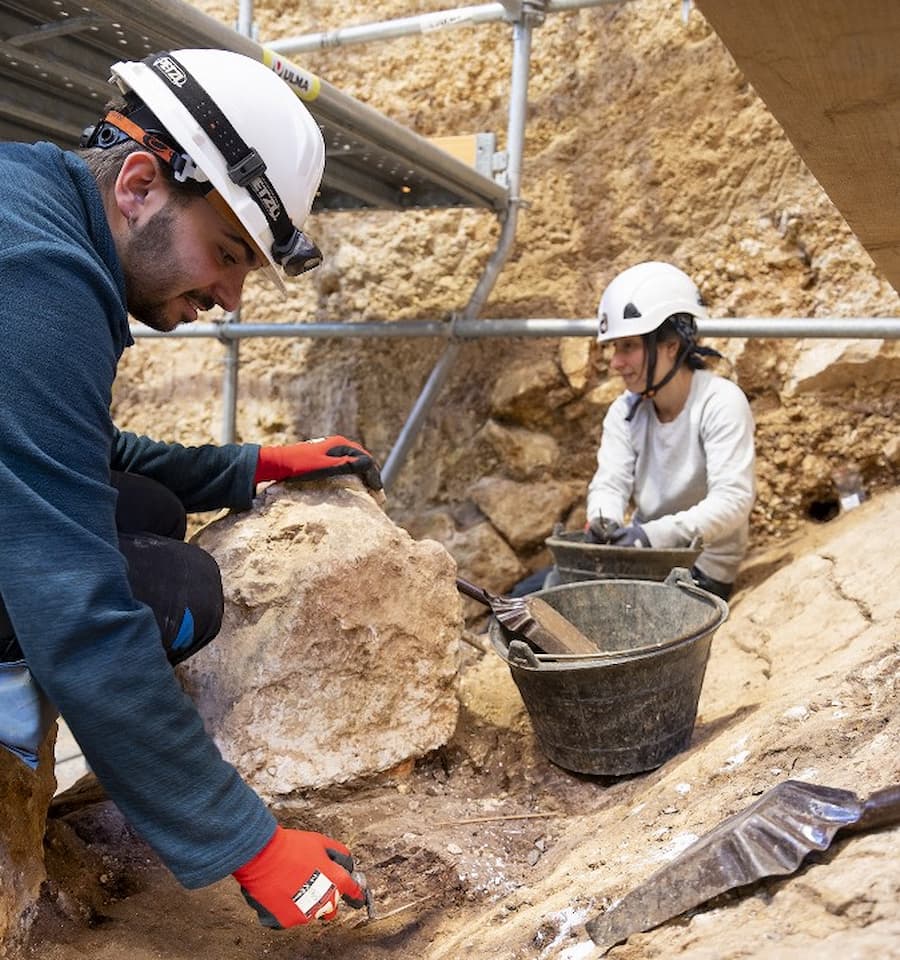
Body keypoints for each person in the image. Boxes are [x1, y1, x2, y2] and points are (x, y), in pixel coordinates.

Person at [0, 48, 381, 930]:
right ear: (139, 184)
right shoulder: (35, 281)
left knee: (151, 509)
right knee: (172, 590)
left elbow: (66, 449)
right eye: (227, 253)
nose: (233, 296)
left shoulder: (34, 202)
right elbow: (80, 608)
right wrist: (246, 841)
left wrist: (250, 468)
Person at [585, 260, 756, 601]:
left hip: (703, 568)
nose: (616, 362)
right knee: (537, 592)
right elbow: (610, 482)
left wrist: (650, 536)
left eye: (628, 346)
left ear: (671, 346)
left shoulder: (720, 401)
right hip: (645, 557)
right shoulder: (625, 410)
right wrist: (603, 517)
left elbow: (734, 500)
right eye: (615, 348)